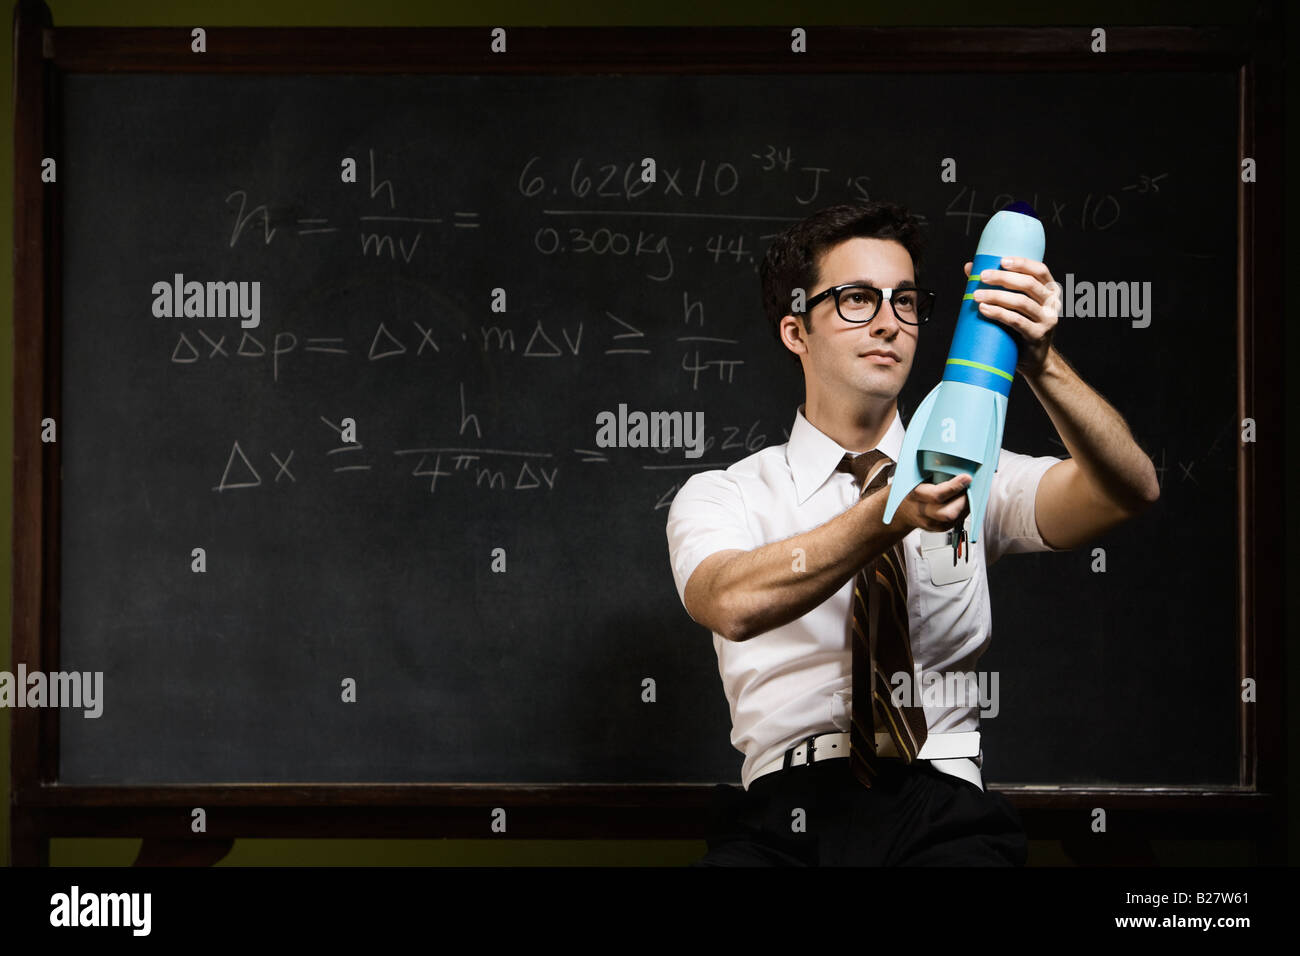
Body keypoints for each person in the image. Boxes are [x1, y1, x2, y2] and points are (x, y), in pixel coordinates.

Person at [666, 200, 1159, 866]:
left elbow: (1129, 490)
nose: (889, 324)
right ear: (795, 330)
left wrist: (1039, 359)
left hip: (944, 806)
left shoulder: (972, 469)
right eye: (857, 300)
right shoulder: (726, 493)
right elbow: (729, 603)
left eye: (905, 302)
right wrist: (887, 514)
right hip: (787, 813)